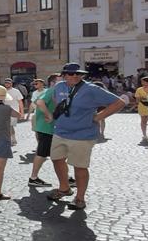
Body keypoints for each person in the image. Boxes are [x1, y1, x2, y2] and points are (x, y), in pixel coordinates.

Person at [46, 63, 126, 210]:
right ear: (64, 75)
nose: (75, 76)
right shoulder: (59, 87)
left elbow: (119, 102)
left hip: (82, 135)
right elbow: (58, 102)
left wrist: (99, 116)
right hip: (60, 132)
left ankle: (80, 198)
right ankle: (64, 188)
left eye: (78, 73)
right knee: (57, 160)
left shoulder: (91, 89)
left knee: (80, 166)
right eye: (71, 74)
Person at [28, 74, 58, 187]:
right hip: (46, 127)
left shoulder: (50, 91)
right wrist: (49, 115)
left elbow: (35, 103)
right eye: (60, 81)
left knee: (57, 154)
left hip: (46, 127)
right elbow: (39, 103)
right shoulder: (51, 91)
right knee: (42, 153)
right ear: (52, 83)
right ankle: (33, 178)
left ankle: (66, 176)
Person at [3, 78, 24, 146]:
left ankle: (12, 139)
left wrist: (22, 113)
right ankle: (10, 139)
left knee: (10, 126)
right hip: (4, 111)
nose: (7, 84)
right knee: (6, 126)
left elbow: (20, 102)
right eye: (6, 83)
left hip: (14, 111)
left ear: (11, 83)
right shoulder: (3, 91)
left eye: (8, 83)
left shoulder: (16, 91)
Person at [135, 77, 148, 143]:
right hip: (142, 106)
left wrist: (145, 98)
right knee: (143, 121)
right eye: (142, 82)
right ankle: (144, 134)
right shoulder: (139, 89)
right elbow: (137, 99)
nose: (142, 83)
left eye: (143, 82)